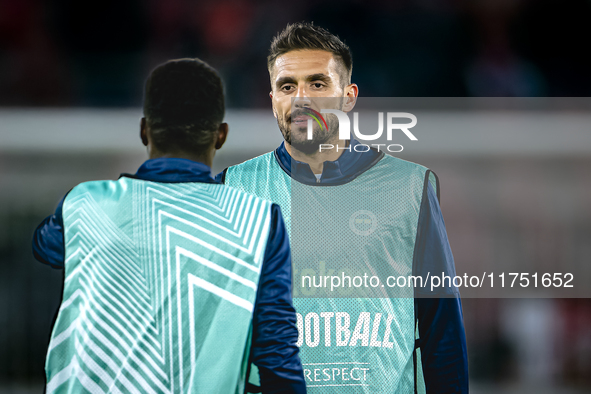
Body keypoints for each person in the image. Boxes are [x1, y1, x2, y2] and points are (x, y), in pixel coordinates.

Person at [219, 23, 469, 393]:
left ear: (348, 97)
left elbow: (441, 328)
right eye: (288, 86)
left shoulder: (408, 189)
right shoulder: (232, 188)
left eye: (318, 84)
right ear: (272, 98)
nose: (301, 98)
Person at [32, 58, 306, 394]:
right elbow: (276, 352)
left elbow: (45, 245)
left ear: (144, 130)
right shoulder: (259, 221)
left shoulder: (86, 204)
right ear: (220, 136)